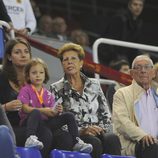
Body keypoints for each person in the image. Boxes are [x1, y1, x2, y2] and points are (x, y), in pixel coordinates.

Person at [50, 43, 121, 158]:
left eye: (73, 58)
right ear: (62, 64)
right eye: (65, 60)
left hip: (98, 131)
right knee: (93, 142)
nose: (69, 62)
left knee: (112, 138)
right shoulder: (56, 88)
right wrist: (81, 131)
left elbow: (106, 115)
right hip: (75, 135)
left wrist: (100, 129)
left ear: (81, 63)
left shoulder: (95, 85)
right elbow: (58, 121)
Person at [17, 57, 93, 153]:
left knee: (69, 115)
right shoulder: (26, 89)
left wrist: (57, 111)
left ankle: (76, 142)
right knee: (35, 112)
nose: (38, 75)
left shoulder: (48, 93)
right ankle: (30, 138)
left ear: (45, 75)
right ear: (28, 76)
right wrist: (43, 111)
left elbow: (52, 113)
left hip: (46, 123)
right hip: (30, 121)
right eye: (34, 73)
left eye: (41, 73)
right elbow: (24, 108)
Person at [0, 38, 52, 158]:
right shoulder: (1, 77)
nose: (23, 55)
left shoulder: (35, 79)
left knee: (50, 132)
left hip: (30, 126)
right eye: (17, 52)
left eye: (26, 51)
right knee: (43, 133)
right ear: (9, 57)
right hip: (8, 126)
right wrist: (6, 107)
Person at [113, 55, 158, 158]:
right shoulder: (122, 93)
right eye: (138, 67)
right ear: (132, 73)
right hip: (134, 145)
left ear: (153, 73)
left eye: (147, 67)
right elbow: (122, 123)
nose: (143, 71)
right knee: (151, 146)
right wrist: (142, 136)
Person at [99, 0, 144, 65]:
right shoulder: (119, 18)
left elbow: (134, 46)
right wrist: (115, 58)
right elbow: (109, 41)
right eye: (135, 4)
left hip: (124, 58)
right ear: (129, 6)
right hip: (110, 58)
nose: (138, 7)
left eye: (140, 5)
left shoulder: (138, 23)